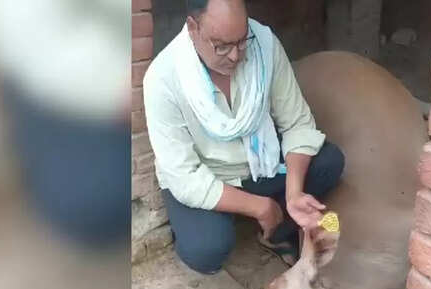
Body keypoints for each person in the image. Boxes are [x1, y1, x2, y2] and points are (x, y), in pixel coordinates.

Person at [143, 0, 345, 274]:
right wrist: (259, 207)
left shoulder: (264, 45)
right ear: (193, 27)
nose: (235, 56)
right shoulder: (163, 78)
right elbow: (184, 176)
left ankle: (276, 230)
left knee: (329, 161)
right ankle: (248, 215)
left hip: (258, 163)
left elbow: (297, 123)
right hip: (209, 176)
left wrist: (294, 192)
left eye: (241, 41)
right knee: (206, 250)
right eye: (222, 46)